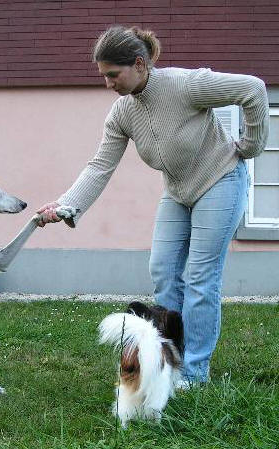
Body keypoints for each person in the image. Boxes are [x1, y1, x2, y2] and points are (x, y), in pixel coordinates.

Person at [37, 26, 269, 387]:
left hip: (220, 179)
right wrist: (68, 204)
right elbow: (100, 166)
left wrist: (251, 145)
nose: (108, 83)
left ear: (139, 64)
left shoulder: (186, 85)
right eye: (104, 76)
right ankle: (169, 364)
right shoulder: (122, 112)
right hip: (177, 190)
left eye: (113, 74)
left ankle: (194, 373)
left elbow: (253, 89)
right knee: (163, 271)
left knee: (200, 278)